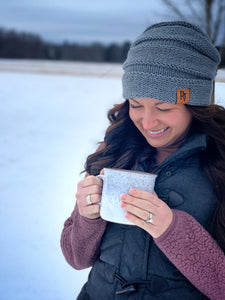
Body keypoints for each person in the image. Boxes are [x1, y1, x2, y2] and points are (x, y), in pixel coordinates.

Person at [60, 21, 225, 299]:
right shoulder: (115, 152)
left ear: (194, 105)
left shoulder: (219, 165)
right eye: (136, 105)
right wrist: (87, 216)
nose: (147, 121)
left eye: (164, 107)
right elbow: (76, 258)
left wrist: (171, 229)